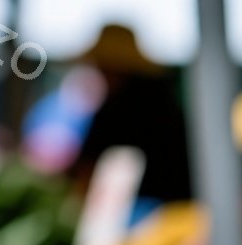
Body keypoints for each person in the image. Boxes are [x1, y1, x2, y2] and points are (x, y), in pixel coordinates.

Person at [73, 24, 192, 206]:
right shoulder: (162, 98)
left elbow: (90, 163)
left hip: (146, 210)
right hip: (180, 204)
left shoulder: (121, 106)